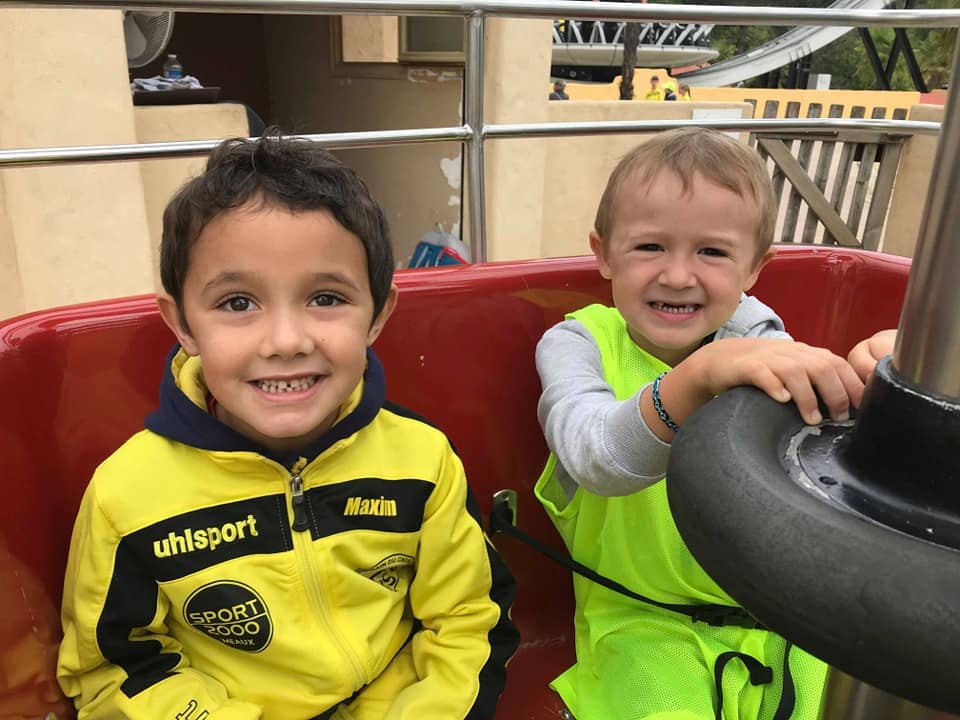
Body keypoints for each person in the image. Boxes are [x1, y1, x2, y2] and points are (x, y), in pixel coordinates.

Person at [56, 131, 519, 720]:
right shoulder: (125, 497)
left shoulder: (423, 462)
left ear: (378, 315)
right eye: (237, 303)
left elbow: (468, 620)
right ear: (184, 326)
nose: (286, 341)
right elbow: (115, 671)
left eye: (325, 298)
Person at [534, 127, 865, 720]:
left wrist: (872, 384)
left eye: (711, 252)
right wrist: (698, 378)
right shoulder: (576, 343)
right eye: (649, 247)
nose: (678, 276)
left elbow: (823, 461)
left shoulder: (763, 342)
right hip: (640, 620)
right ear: (603, 253)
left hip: (779, 617)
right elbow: (595, 458)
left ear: (755, 267)